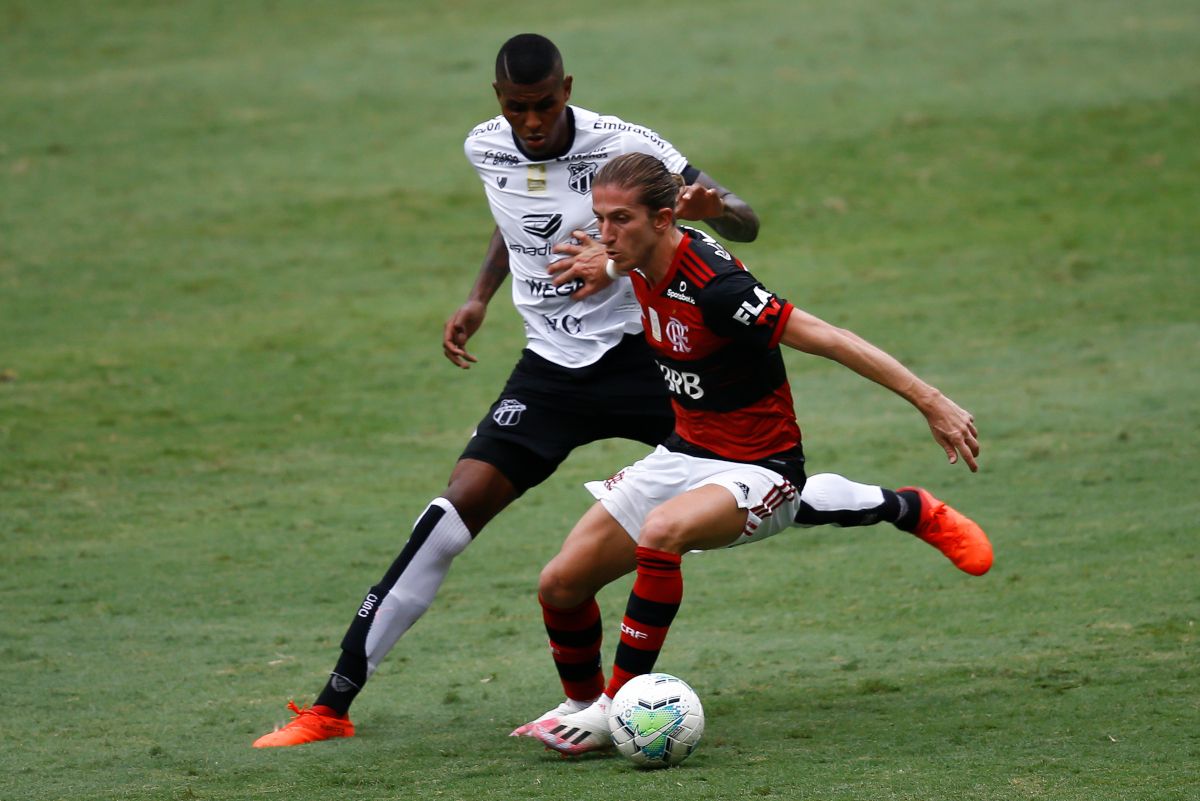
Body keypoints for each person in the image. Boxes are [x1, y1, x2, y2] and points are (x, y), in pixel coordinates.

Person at [252, 34, 962, 748]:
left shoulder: (627, 148)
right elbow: (515, 222)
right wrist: (479, 297)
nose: (530, 122)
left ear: (568, 89)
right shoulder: (485, 147)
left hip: (645, 355)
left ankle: (900, 507)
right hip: (550, 369)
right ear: (497, 102)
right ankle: (332, 705)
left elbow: (740, 220)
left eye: (544, 106)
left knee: (741, 471)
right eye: (515, 108)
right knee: (456, 516)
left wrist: (712, 211)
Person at [515, 152, 993, 756]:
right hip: (686, 450)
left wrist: (931, 401)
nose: (606, 235)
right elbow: (621, 254)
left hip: (759, 465)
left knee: (664, 532)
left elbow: (830, 338)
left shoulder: (719, 290)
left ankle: (621, 704)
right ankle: (581, 706)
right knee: (560, 583)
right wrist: (607, 260)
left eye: (621, 221)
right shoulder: (634, 250)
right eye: (600, 218)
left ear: (662, 221)